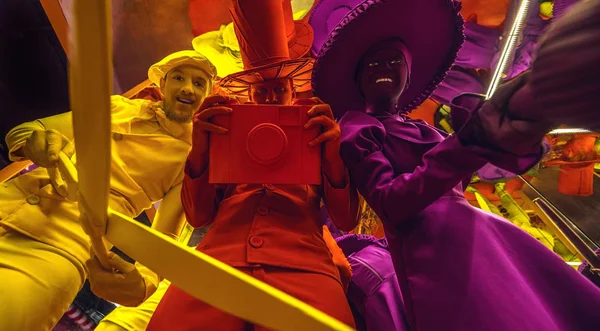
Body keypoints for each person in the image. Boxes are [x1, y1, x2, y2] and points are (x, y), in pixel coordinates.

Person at [312, 0, 600, 330]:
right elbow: (390, 203)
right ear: (358, 77)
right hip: (430, 249)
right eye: (373, 63)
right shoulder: (359, 129)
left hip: (480, 230)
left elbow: (456, 180)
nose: (383, 68)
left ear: (409, 77)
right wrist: (469, 146)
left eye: (395, 61)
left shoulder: (427, 129)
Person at [147, 0, 359, 329]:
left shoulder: (315, 134)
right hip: (218, 263)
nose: (271, 97)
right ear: (249, 95)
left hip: (304, 267)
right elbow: (198, 215)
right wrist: (201, 146)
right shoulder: (228, 136)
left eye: (278, 88)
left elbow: (346, 220)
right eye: (262, 90)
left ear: (293, 92)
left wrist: (332, 153)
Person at [0, 50, 216, 330]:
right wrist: (36, 140)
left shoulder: (188, 160)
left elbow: (164, 244)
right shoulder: (117, 107)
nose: (188, 87)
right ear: (162, 85)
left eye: (199, 84)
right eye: (179, 77)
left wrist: (144, 284)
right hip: (9, 200)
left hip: (60, 247)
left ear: (205, 97)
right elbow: (28, 131)